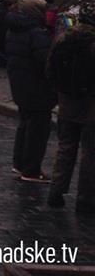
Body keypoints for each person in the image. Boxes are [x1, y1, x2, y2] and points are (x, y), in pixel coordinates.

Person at [46, 11, 95, 213]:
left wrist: (60, 92)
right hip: (91, 106)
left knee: (65, 148)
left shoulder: (62, 39)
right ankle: (86, 199)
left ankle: (55, 192)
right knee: (90, 153)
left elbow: (49, 70)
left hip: (66, 103)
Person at [6, 0, 57, 183]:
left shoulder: (14, 30)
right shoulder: (36, 33)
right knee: (37, 131)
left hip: (20, 86)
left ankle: (19, 163)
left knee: (25, 125)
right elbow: (45, 62)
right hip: (37, 89)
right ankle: (31, 169)